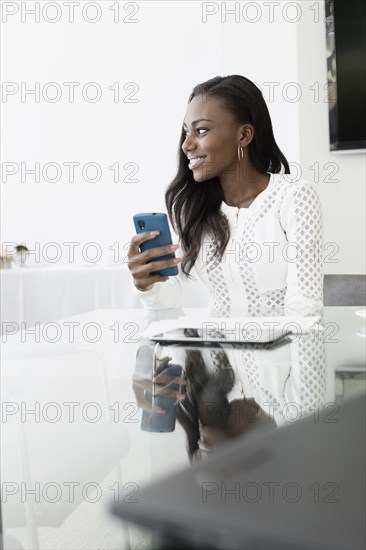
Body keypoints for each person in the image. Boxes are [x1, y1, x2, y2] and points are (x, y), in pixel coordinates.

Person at [127, 74, 323, 322]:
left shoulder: (294, 195)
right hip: (212, 355)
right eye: (186, 132)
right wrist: (147, 283)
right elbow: (169, 302)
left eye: (201, 130)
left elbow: (305, 307)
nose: (186, 145)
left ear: (244, 135)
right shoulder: (197, 207)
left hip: (279, 357)